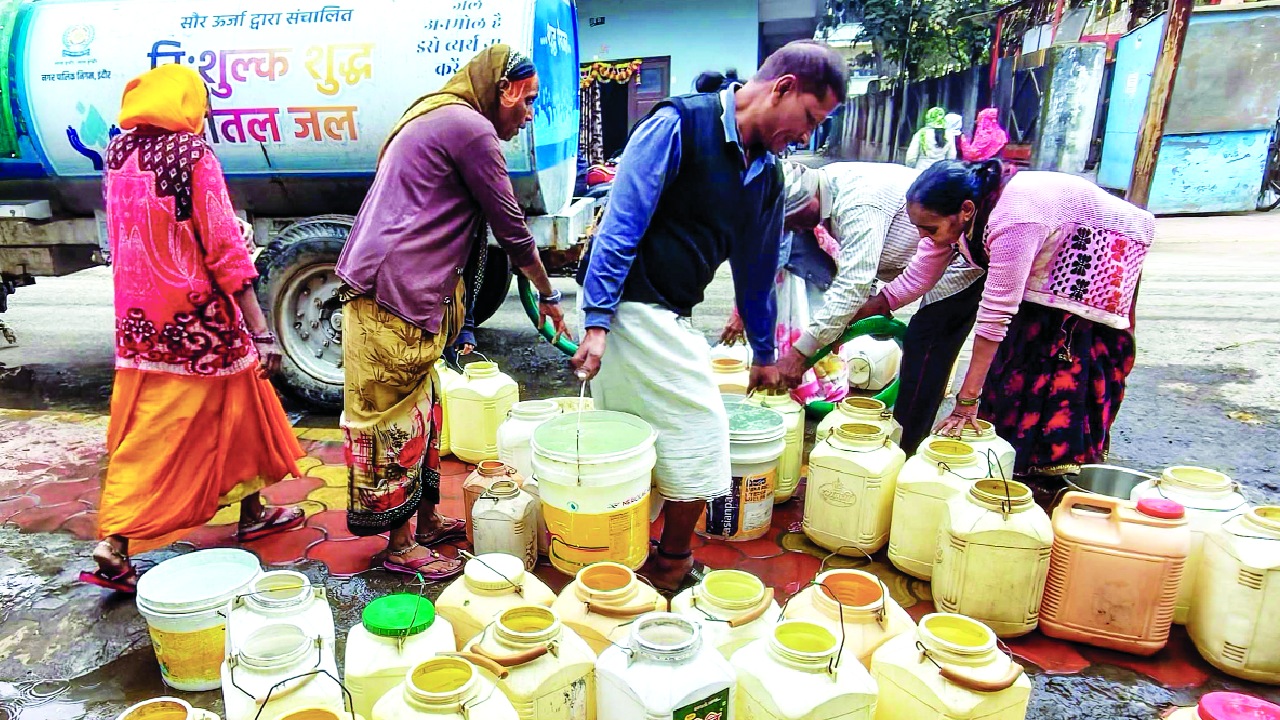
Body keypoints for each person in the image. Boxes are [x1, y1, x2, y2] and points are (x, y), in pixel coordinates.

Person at [571, 40, 846, 591]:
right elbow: (621, 223)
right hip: (630, 304)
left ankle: (626, 551)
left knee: (641, 434)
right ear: (783, 88)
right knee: (704, 429)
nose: (809, 135)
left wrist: (765, 353)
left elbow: (756, 264)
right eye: (811, 118)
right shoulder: (679, 126)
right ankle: (670, 562)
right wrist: (598, 321)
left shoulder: (766, 173)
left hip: (666, 308)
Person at [336, 45, 570, 579]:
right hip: (391, 296)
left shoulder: (439, 114)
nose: (529, 113)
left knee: (427, 409)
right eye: (527, 100)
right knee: (394, 420)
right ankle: (398, 547)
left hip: (399, 290)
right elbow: (511, 225)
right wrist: (549, 295)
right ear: (501, 89)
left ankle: (424, 522)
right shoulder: (471, 129)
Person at [85, 65, 307, 592]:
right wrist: (262, 330)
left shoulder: (118, 154)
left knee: (237, 407)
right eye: (202, 105)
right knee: (170, 434)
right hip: (200, 323)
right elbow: (225, 251)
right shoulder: (192, 154)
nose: (204, 114)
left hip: (140, 327)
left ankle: (252, 511)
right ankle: (115, 540)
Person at [852, 160, 1152, 491]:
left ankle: (1054, 475)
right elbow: (921, 271)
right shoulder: (957, 219)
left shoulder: (1013, 221)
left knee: (1063, 365)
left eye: (930, 228)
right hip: (1048, 251)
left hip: (1097, 255)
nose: (923, 236)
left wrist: (967, 400)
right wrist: (874, 306)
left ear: (966, 210)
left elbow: (995, 315)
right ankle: (1015, 461)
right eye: (919, 227)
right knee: (1014, 365)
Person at [757, 161, 986, 454]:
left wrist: (799, 356)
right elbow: (865, 272)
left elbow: (854, 282)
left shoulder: (858, 200)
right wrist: (873, 305)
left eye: (790, 218)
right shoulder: (827, 192)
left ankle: (907, 452)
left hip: (958, 267)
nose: (790, 227)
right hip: (923, 262)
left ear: (808, 200)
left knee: (924, 351)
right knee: (916, 349)